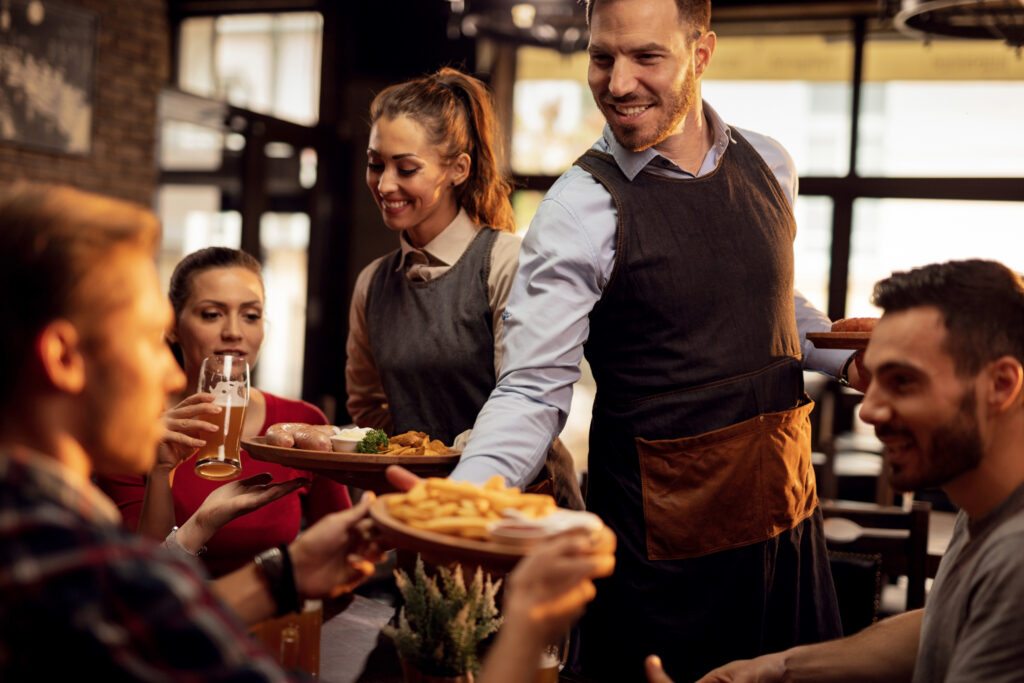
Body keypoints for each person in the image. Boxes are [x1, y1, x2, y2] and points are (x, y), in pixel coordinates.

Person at [449, 0, 867, 679]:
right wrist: (460, 508)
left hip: (787, 534)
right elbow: (530, 388)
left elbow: (776, 306)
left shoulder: (770, 163)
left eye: (647, 57)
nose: (617, 83)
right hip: (663, 567)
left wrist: (863, 356)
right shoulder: (576, 210)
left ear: (701, 55)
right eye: (602, 57)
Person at [0, 182, 384, 679]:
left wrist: (284, 577)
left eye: (251, 315)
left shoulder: (46, 524)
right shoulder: (60, 552)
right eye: (148, 338)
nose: (172, 375)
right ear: (62, 357)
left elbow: (139, 623)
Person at [642, 258, 1024, 683]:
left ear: (1001, 385)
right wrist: (775, 669)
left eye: (903, 381)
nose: (871, 411)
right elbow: (942, 624)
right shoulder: (983, 507)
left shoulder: (1017, 557)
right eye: (873, 377)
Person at [346, 66, 582, 509]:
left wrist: (452, 465)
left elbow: (529, 403)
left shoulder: (505, 262)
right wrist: (413, 463)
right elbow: (368, 406)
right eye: (375, 164)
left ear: (458, 169)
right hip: (423, 505)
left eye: (407, 168)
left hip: (520, 504)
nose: (385, 183)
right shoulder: (373, 283)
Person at [97, 247, 352, 576]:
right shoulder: (129, 427)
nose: (234, 331)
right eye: (212, 314)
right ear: (172, 325)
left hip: (279, 622)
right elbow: (138, 579)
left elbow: (343, 549)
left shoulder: (302, 421)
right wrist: (160, 472)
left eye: (250, 315)